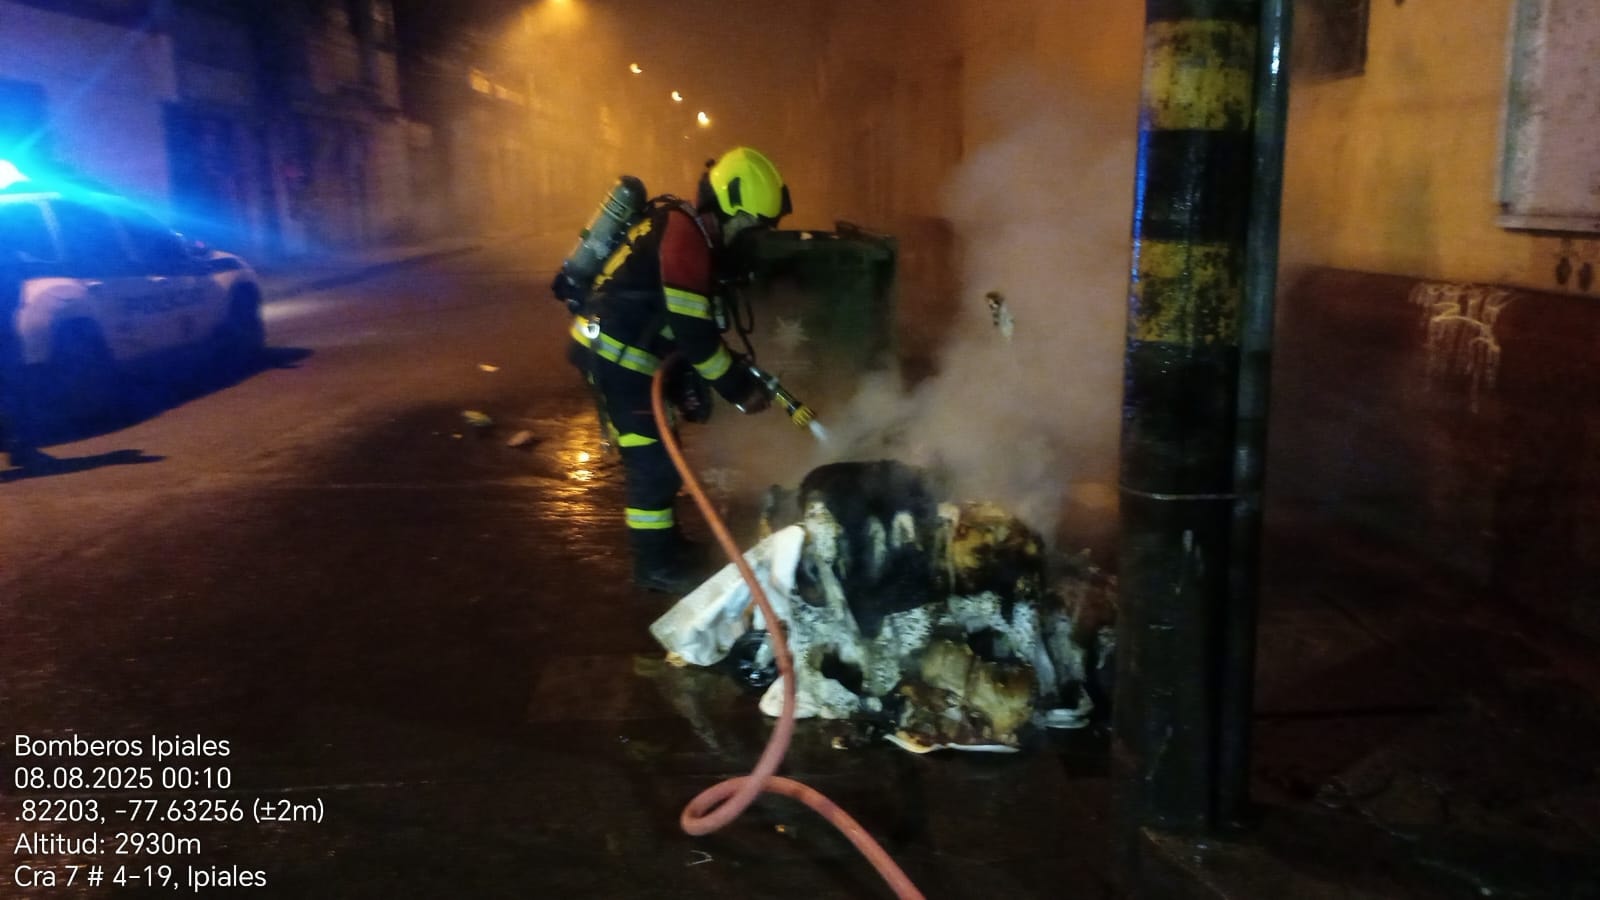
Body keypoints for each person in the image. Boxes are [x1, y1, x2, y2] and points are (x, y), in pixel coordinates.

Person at [561, 146, 791, 593]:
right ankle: (654, 566)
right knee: (654, 466)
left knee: (659, 459)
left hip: (628, 357)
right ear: (729, 207)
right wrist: (740, 390)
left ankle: (667, 547)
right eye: (750, 226)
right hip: (614, 359)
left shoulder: (685, 230)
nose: (751, 238)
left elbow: (689, 329)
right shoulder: (684, 239)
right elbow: (696, 338)